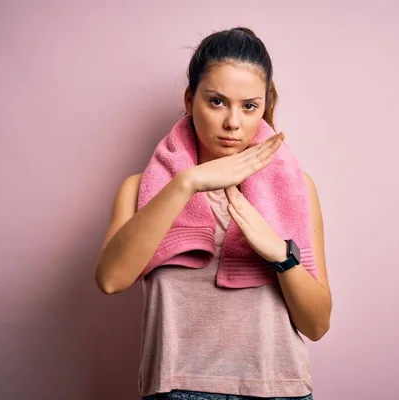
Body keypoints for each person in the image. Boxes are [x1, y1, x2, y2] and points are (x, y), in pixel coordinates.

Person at [95, 27, 332, 400]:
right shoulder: (141, 189)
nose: (233, 123)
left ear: (265, 106)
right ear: (190, 100)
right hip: (178, 389)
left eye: (249, 106)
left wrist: (281, 255)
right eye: (217, 101)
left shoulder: (297, 189)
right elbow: (110, 279)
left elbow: (317, 324)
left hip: (279, 390)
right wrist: (187, 183)